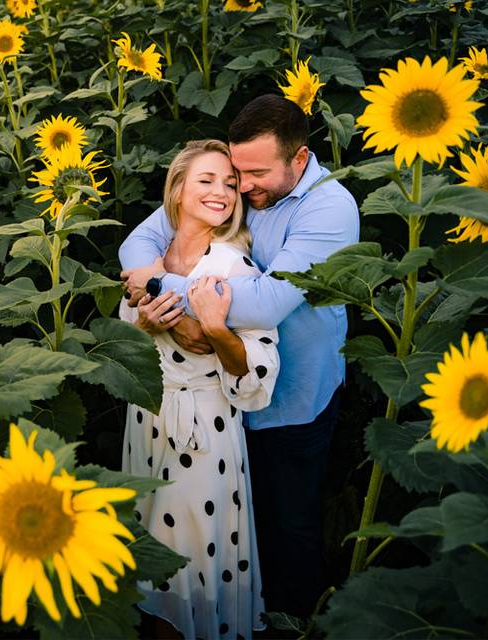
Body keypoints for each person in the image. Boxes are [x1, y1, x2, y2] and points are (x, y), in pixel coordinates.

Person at [119, 94, 359, 619]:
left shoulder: (330, 209)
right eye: (235, 173)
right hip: (221, 402)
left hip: (292, 395)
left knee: (288, 526)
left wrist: (157, 286)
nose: (241, 187)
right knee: (234, 526)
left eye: (252, 175)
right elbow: (142, 240)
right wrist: (154, 286)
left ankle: (296, 623)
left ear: (298, 160)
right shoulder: (248, 186)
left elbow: (265, 302)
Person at [120, 139, 279, 640]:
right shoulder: (146, 262)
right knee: (147, 545)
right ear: (179, 188)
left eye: (230, 184)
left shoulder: (232, 267)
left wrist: (215, 331)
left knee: (194, 553)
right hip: (146, 418)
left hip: (204, 431)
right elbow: (121, 345)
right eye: (207, 180)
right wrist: (146, 325)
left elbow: (258, 374)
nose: (222, 192)